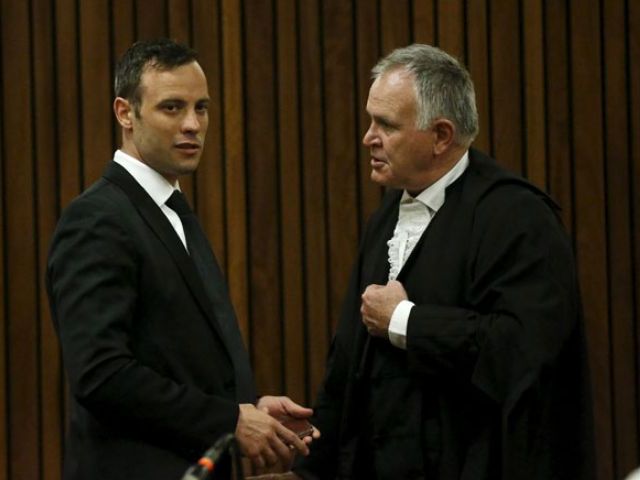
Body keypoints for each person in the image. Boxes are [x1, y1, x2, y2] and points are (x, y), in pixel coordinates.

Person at [289, 44, 595, 479]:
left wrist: (404, 321)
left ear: (441, 136)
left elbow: (521, 352)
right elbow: (347, 366)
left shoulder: (518, 217)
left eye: (386, 125)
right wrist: (308, 471)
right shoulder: (384, 217)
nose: (368, 137)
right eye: (370, 120)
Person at [46, 38, 317, 480]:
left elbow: (174, 357)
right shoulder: (97, 219)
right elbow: (101, 375)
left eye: (201, 108)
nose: (193, 124)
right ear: (125, 113)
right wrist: (228, 421)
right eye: (172, 108)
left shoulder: (170, 209)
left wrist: (247, 408)